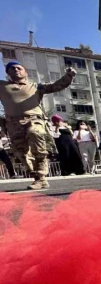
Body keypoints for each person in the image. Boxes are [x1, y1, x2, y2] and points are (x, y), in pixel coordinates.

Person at [0, 61, 75, 189]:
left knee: (35, 133)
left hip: (34, 119)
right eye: (12, 69)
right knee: (22, 153)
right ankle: (37, 177)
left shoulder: (36, 87)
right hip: (13, 123)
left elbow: (56, 86)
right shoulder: (2, 86)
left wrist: (69, 76)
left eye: (19, 68)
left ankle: (40, 176)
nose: (16, 70)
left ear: (25, 72)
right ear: (8, 74)